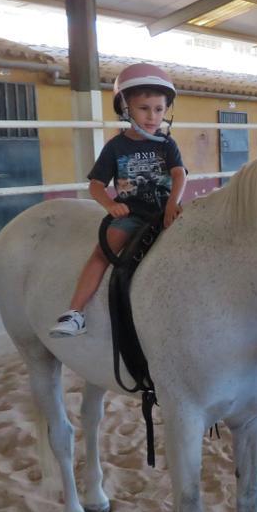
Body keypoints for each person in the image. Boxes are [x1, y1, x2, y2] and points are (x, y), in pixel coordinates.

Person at [50, 63, 187, 337]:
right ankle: (76, 312)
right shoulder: (115, 147)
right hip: (132, 214)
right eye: (144, 108)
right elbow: (96, 185)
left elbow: (178, 174)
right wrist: (111, 205)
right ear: (126, 108)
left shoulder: (166, 144)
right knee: (102, 254)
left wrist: (173, 203)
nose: (152, 116)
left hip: (165, 211)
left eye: (159, 109)